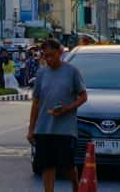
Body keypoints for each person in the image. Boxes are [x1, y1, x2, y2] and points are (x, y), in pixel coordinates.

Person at [27, 38, 88, 192]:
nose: (48, 59)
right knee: (48, 165)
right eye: (45, 56)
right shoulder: (41, 74)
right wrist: (31, 129)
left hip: (65, 129)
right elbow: (36, 102)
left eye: (51, 55)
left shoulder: (72, 72)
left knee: (67, 165)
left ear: (60, 53)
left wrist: (68, 108)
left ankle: (75, 184)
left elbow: (83, 97)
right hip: (44, 128)